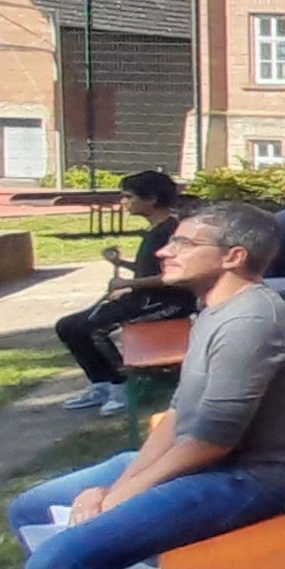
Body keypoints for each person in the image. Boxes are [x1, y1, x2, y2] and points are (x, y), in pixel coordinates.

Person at [11, 202, 285, 569]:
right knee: (31, 508)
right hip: (205, 461)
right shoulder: (212, 308)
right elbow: (179, 418)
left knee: (56, 567)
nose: (165, 250)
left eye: (183, 243)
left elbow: (211, 443)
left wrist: (115, 497)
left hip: (250, 477)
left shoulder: (250, 322)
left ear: (233, 256)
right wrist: (120, 487)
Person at [55, 171, 198, 415]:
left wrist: (125, 285)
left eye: (128, 197)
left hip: (167, 304)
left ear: (151, 199)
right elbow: (151, 270)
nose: (124, 202)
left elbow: (176, 276)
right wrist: (122, 264)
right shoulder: (156, 229)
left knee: (94, 329)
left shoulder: (171, 231)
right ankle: (101, 384)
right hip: (143, 298)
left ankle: (122, 386)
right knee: (68, 326)